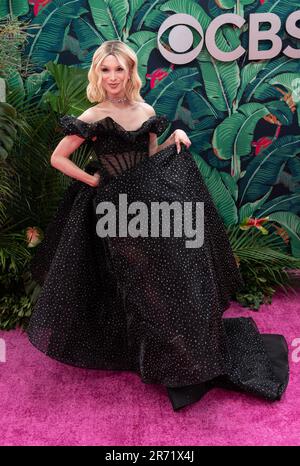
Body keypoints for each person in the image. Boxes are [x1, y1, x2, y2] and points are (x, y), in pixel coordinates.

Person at [27, 40, 289, 411]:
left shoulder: (145, 109)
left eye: (119, 69)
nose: (113, 77)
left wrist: (175, 139)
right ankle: (158, 356)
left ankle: (178, 354)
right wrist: (93, 182)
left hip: (149, 202)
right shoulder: (92, 114)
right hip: (114, 211)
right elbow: (58, 158)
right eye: (106, 69)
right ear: (97, 74)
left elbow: (149, 158)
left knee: (164, 278)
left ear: (131, 72)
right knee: (138, 281)